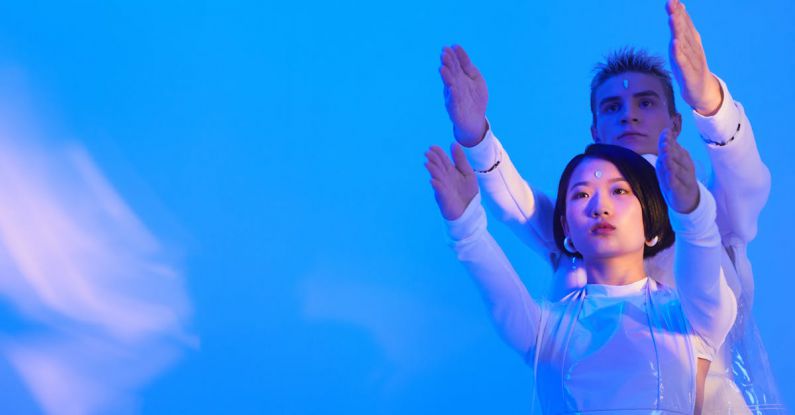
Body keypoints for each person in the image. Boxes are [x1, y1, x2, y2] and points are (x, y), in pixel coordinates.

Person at [437, 0, 783, 412]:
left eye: (646, 103)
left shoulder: (703, 207)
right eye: (613, 107)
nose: (629, 117)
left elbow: (745, 178)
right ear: (595, 129)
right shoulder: (582, 224)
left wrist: (709, 101)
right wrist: (475, 136)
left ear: (675, 123)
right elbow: (519, 207)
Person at [424, 134, 736, 414]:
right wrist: (465, 224)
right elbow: (493, 281)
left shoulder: (692, 319)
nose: (600, 207)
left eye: (619, 191)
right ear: (567, 229)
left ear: (652, 220)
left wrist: (690, 211)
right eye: (582, 195)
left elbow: (702, 274)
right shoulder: (545, 330)